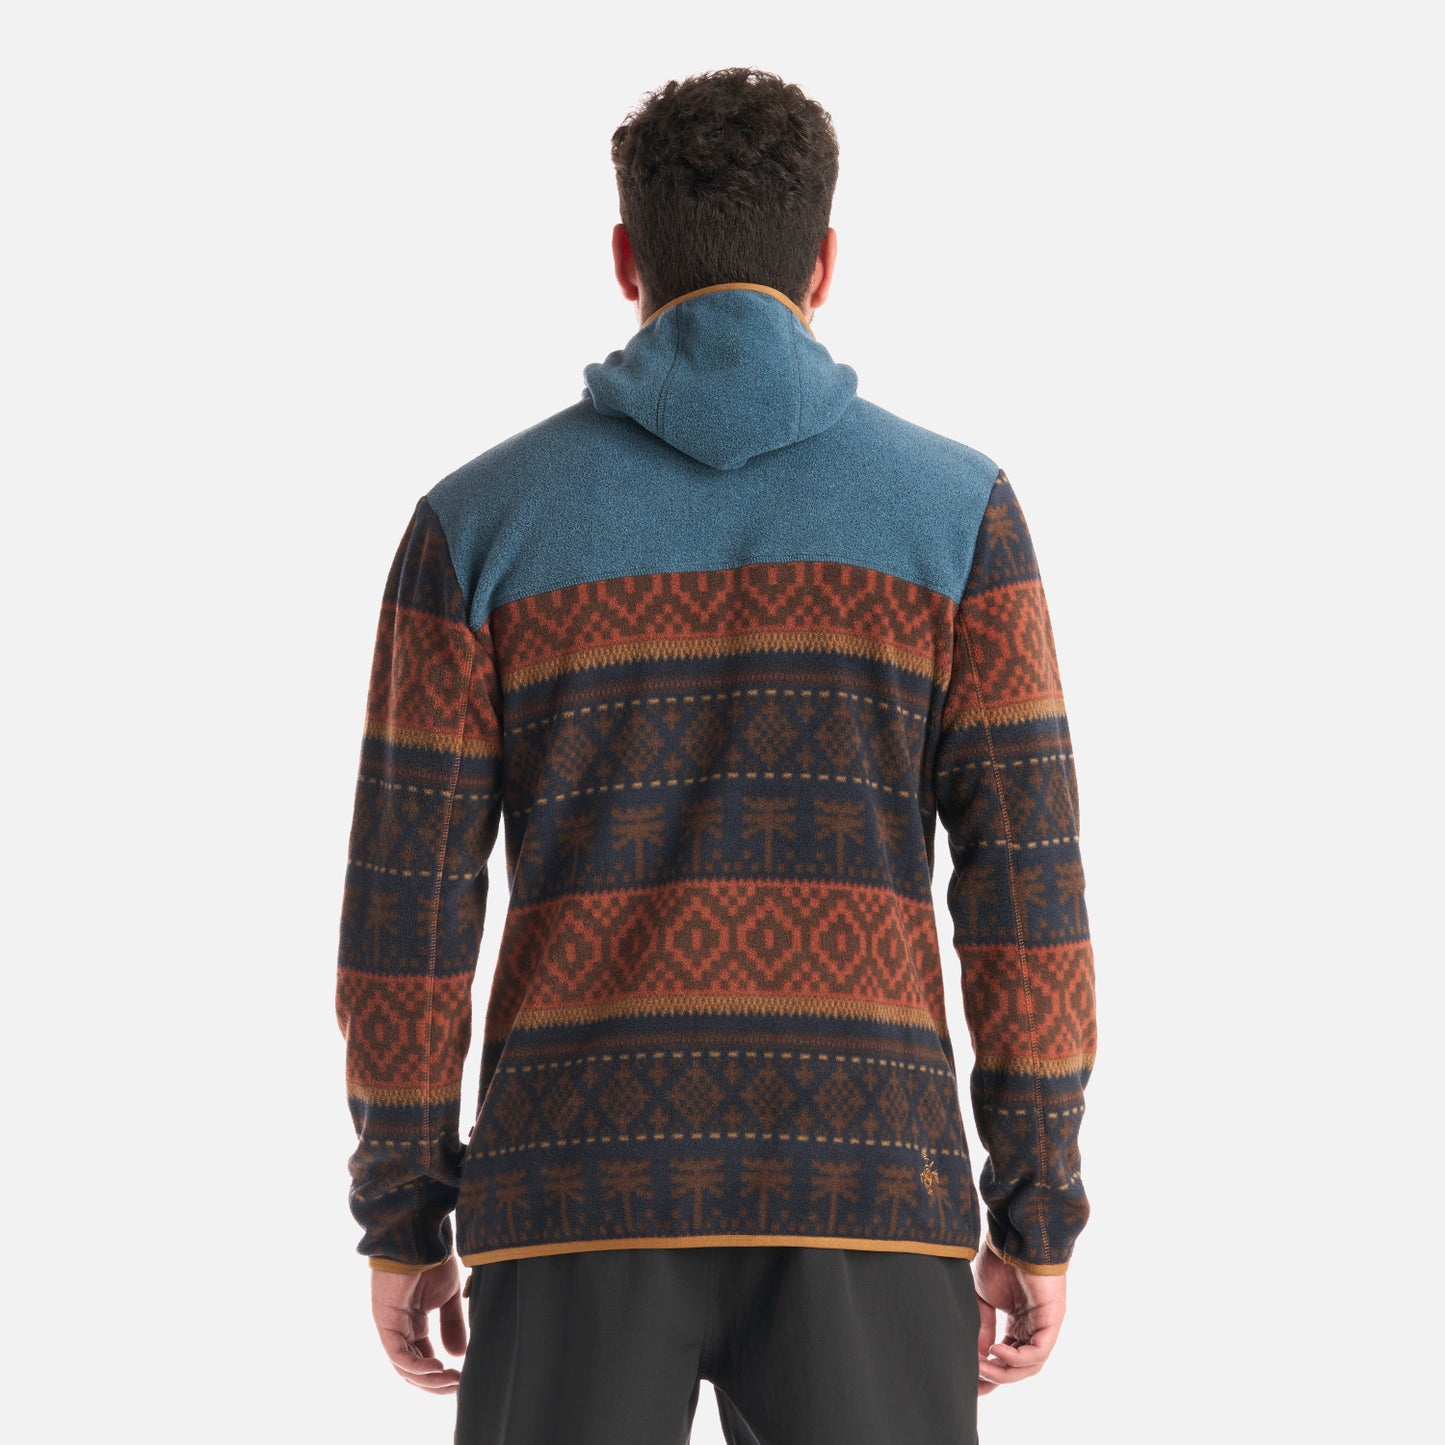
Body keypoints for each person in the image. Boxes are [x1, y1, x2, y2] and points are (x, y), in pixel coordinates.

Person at [334, 65, 1097, 1444]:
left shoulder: (476, 523)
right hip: (869, 1183)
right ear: (825, 264)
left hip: (571, 1189)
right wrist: (1038, 1204)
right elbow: (1025, 888)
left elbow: (407, 909)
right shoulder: (958, 515)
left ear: (626, 259)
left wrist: (403, 1213)